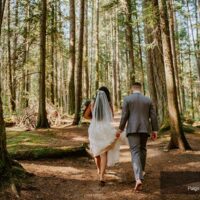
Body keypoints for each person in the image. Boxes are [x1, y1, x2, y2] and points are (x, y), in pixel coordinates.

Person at [116, 82, 158, 192]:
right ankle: (142, 171)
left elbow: (124, 115)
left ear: (132, 89)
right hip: (145, 129)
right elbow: (153, 116)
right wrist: (155, 130)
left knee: (135, 151)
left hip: (133, 129)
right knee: (143, 149)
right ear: (141, 88)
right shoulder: (148, 100)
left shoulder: (127, 99)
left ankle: (138, 178)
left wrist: (120, 129)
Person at [88, 86, 120, 186]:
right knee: (104, 153)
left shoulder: (93, 103)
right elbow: (112, 117)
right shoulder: (109, 104)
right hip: (105, 129)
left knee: (96, 151)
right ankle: (102, 175)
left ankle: (98, 169)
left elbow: (91, 115)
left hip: (94, 128)